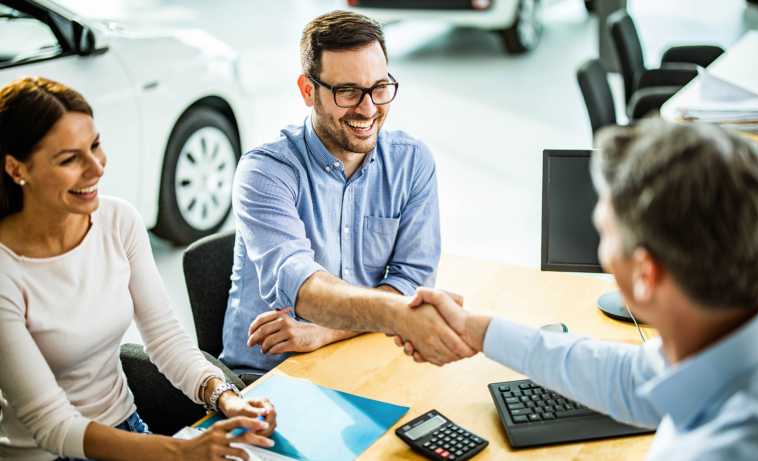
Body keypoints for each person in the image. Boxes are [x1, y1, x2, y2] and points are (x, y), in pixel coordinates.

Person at [397, 121, 758, 459]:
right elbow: (630, 377)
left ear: (645, 274)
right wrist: (479, 331)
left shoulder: (724, 446)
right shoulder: (724, 340)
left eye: (603, 233)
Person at [0, 77, 276, 461]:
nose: (96, 168)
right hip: (43, 453)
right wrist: (182, 451)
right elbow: (53, 426)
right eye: (69, 159)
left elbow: (164, 337)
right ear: (16, 168)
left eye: (95, 146)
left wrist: (224, 397)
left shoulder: (118, 221)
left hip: (128, 428)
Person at [219, 10, 472, 382]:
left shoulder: (411, 161)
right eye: (348, 91)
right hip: (270, 378)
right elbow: (306, 291)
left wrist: (324, 332)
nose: (368, 109)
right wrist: (403, 314)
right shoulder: (265, 172)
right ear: (308, 90)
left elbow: (411, 280)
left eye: (380, 87)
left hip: (359, 358)